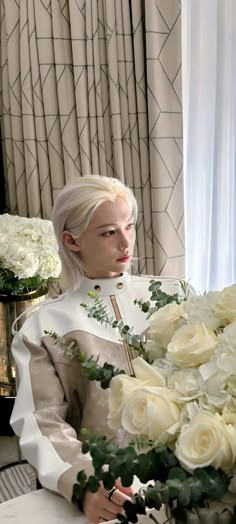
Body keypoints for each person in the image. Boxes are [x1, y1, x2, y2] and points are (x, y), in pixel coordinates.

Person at [10, 175, 179, 523]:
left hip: (187, 481)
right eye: (108, 232)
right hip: (109, 494)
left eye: (129, 226)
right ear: (72, 241)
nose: (126, 242)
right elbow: (42, 422)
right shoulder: (41, 327)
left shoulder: (174, 298)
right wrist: (84, 484)